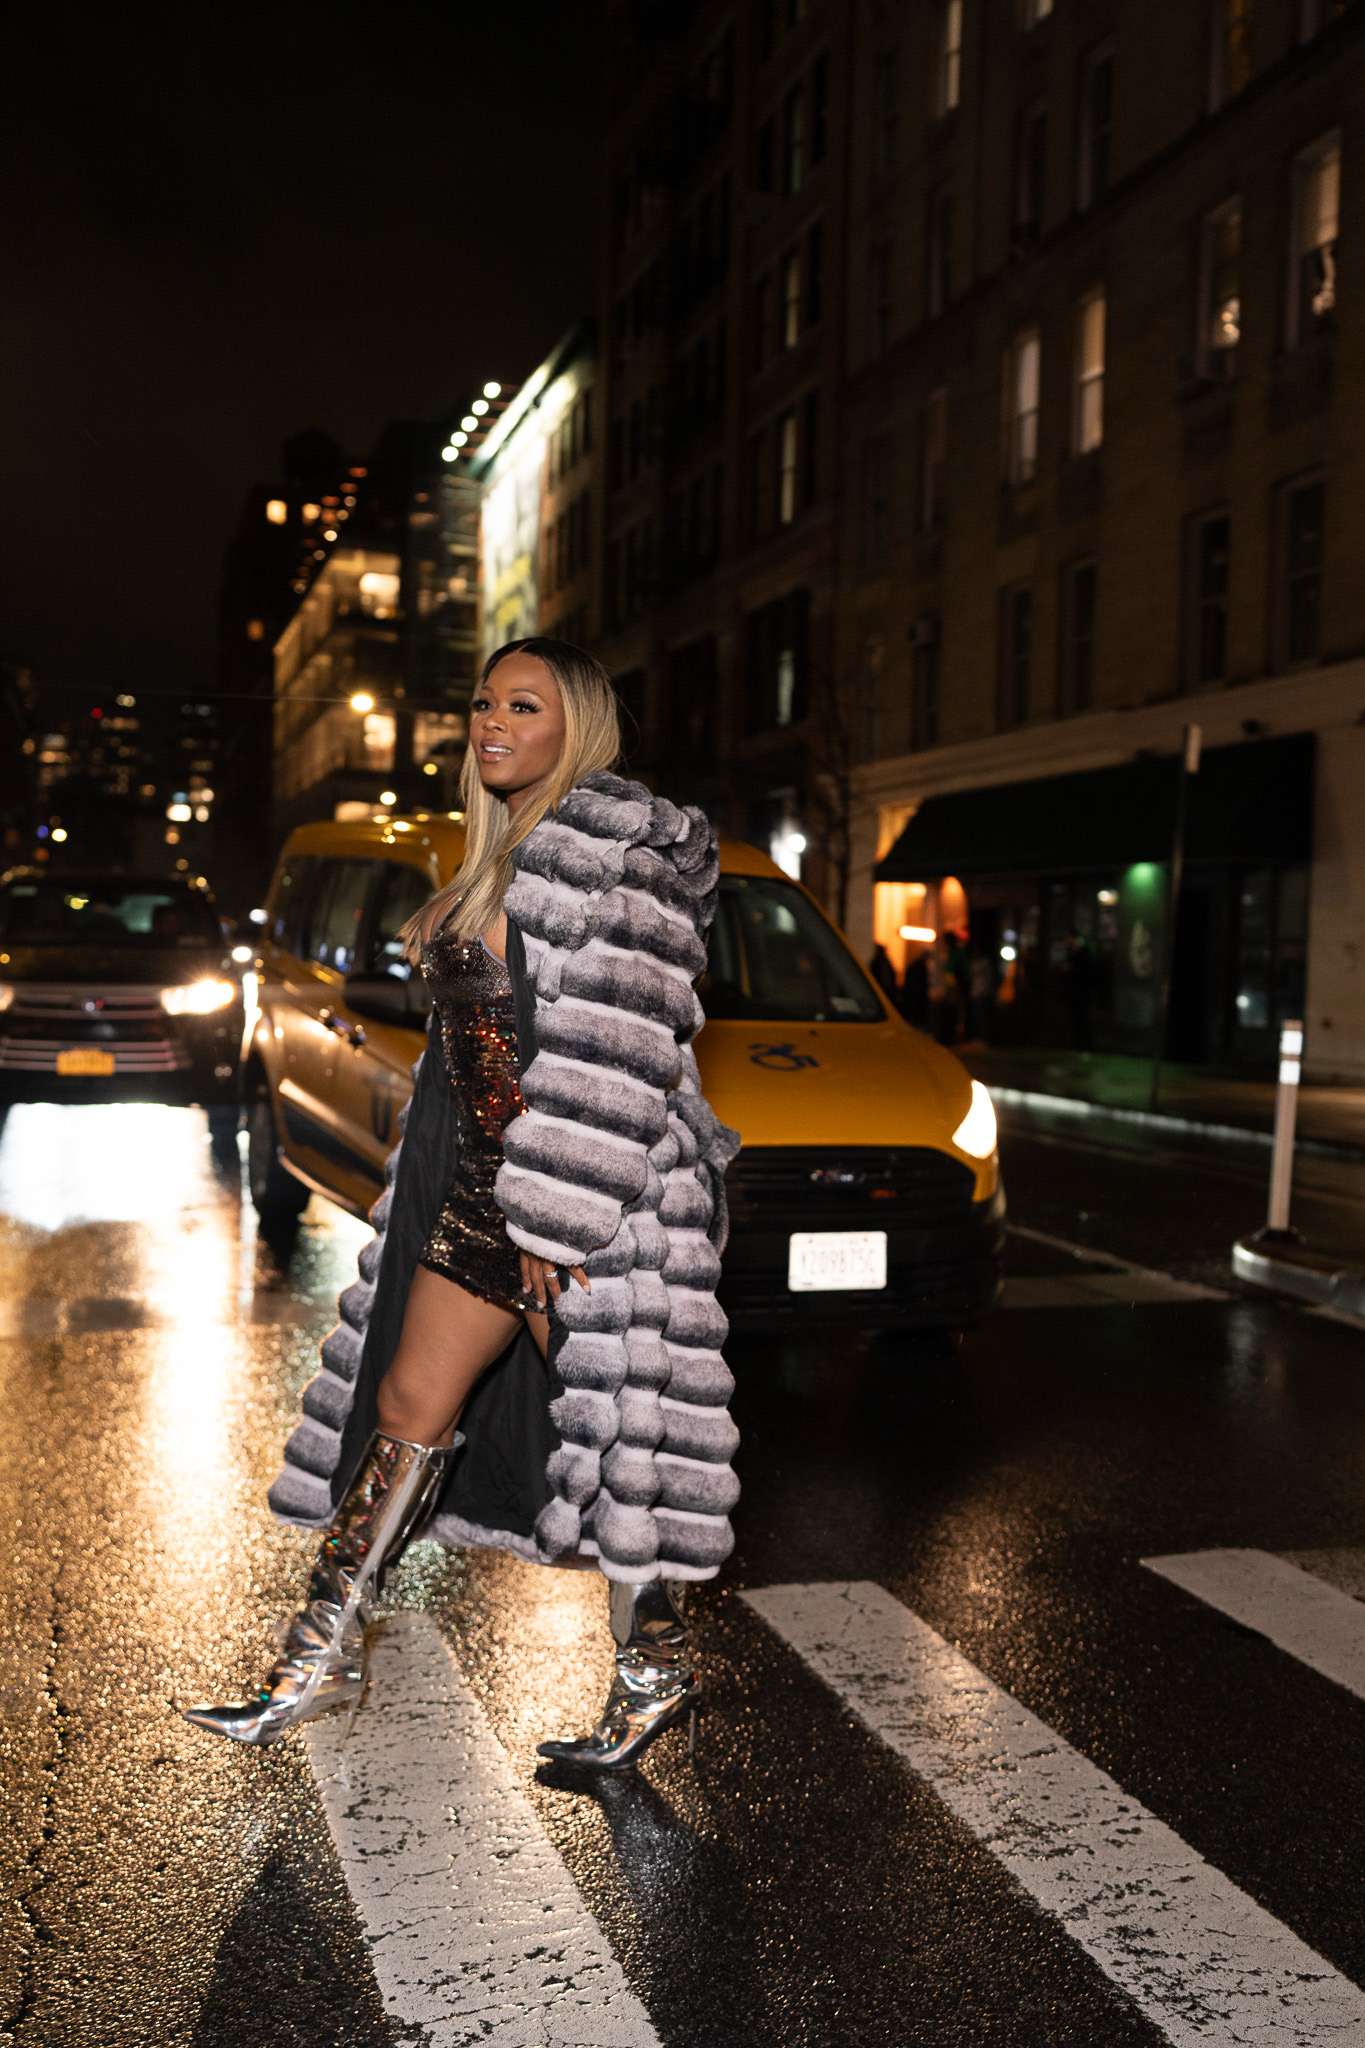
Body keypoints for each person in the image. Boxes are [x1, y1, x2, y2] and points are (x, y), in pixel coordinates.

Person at [184, 639, 741, 1770]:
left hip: (577, 1200)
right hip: (485, 1186)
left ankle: (654, 1666)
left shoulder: (618, 862)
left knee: (610, 1439)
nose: (492, 722)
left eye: (523, 705)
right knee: (410, 1401)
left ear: (577, 724)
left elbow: (621, 1063)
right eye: (485, 702)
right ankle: (315, 1660)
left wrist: (554, 1217)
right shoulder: (502, 853)